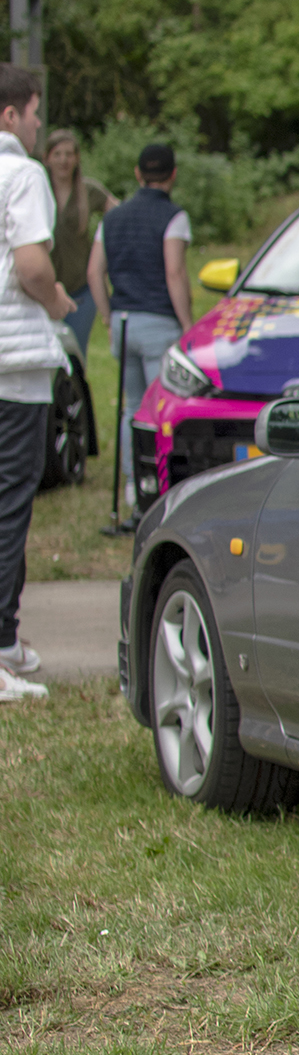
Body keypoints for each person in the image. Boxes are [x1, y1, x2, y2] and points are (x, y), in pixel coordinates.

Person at [0, 64, 76, 698]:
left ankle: (7, 641)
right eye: (33, 113)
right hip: (13, 364)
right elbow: (30, 264)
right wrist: (56, 302)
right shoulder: (20, 173)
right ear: (10, 115)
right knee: (9, 503)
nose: (36, 124)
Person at [87, 143, 194, 496]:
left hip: (123, 321)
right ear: (174, 175)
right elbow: (175, 273)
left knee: (130, 408)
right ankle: (161, 486)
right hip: (158, 323)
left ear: (137, 174)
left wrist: (107, 314)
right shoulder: (174, 217)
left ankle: (134, 485)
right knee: (160, 410)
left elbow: (94, 272)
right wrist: (187, 324)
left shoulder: (112, 217)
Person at [40, 129, 116, 355]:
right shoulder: (38, 189)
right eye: (57, 154)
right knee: (48, 355)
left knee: (76, 354)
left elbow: (120, 216)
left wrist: (105, 250)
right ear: (47, 158)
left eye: (69, 154)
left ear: (77, 158)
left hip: (81, 291)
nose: (63, 160)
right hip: (45, 288)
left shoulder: (88, 190)